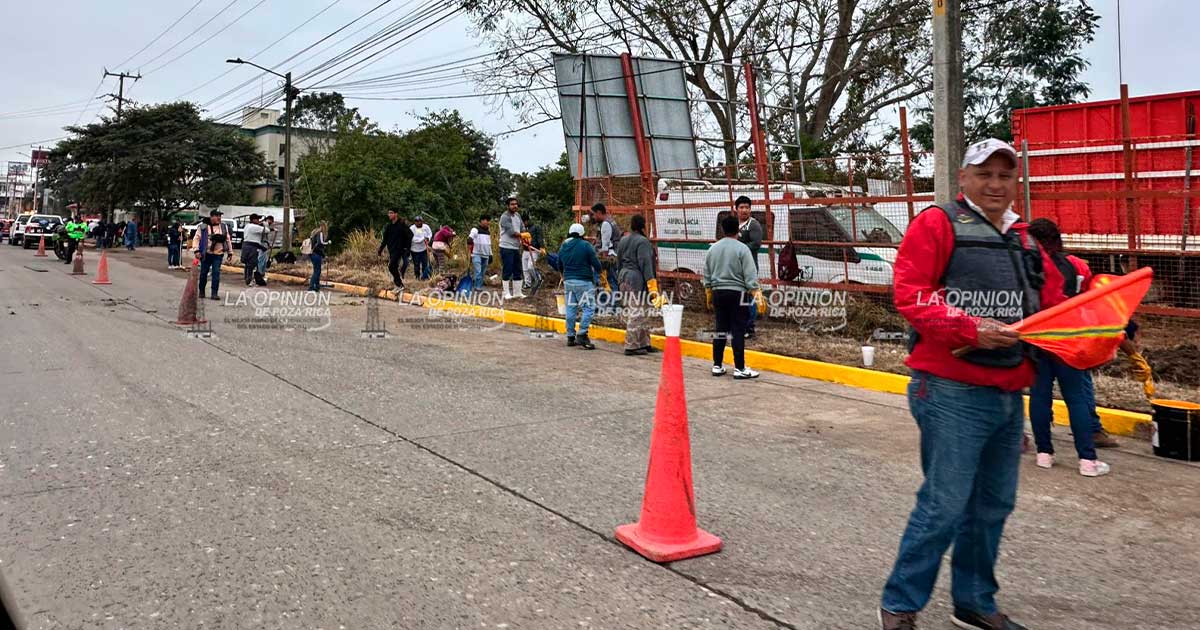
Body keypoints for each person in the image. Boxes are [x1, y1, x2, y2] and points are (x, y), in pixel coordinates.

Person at [878, 139, 1066, 630]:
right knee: (944, 504)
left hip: (1009, 391)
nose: (996, 184)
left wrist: (1092, 322)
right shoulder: (937, 224)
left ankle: (975, 600)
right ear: (962, 179)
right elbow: (910, 292)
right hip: (949, 390)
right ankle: (900, 604)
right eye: (985, 174)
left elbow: (1052, 304)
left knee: (993, 505)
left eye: (1005, 175)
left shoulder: (1025, 238)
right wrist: (969, 328)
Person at [1025, 218, 1112, 475]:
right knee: (1076, 398)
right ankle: (1087, 460)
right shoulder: (1076, 265)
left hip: (1038, 340)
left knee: (1039, 396)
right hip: (1070, 342)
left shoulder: (1027, 266)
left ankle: (1044, 454)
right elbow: (1089, 298)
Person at [703, 214, 763, 378]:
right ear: (738, 230)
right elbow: (750, 275)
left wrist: (708, 291)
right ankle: (740, 368)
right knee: (738, 329)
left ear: (722, 229)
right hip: (738, 293)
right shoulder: (742, 249)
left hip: (718, 293)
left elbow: (706, 273)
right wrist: (756, 293)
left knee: (720, 328)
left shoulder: (713, 248)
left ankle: (717, 365)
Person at [615, 214, 663, 356]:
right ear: (643, 226)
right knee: (637, 312)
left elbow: (618, 261)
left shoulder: (624, 240)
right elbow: (646, 265)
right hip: (636, 280)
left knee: (642, 311)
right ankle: (631, 345)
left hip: (623, 277)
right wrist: (652, 286)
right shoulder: (643, 242)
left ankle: (644, 343)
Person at [559, 222, 602, 350]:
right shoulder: (586, 245)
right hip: (584, 282)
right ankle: (582, 333)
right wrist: (599, 271)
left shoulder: (564, 246)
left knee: (571, 308)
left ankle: (570, 336)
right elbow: (595, 262)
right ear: (582, 234)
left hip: (568, 281)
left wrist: (563, 275)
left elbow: (559, 263)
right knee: (588, 308)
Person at [734, 195, 764, 338]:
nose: (744, 210)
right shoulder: (734, 224)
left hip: (749, 267)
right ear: (736, 209)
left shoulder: (753, 225)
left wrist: (738, 248)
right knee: (738, 297)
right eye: (741, 207)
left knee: (749, 297)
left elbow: (756, 244)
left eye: (747, 207)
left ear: (750, 209)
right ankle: (739, 325)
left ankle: (750, 328)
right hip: (735, 269)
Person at [191, 210, 232, 300]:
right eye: (217, 216)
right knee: (203, 273)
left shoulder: (223, 226)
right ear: (211, 217)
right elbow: (196, 239)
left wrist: (230, 252)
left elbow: (228, 239)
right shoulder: (203, 227)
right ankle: (201, 291)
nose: (219, 218)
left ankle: (214, 293)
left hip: (218, 254)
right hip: (206, 254)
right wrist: (196, 250)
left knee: (216, 273)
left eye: (220, 216)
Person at [591, 203, 622, 302]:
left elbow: (605, 244)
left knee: (606, 281)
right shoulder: (611, 221)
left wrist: (602, 262)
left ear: (599, 212)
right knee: (613, 281)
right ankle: (615, 304)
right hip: (614, 255)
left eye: (594, 214)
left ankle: (607, 304)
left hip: (609, 257)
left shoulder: (605, 224)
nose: (594, 217)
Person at [498, 197, 525, 299]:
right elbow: (511, 232)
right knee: (507, 269)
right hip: (506, 246)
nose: (515, 206)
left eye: (516, 204)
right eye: (512, 204)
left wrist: (525, 234)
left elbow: (522, 227)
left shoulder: (517, 216)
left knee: (517, 269)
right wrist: (522, 235)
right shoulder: (504, 217)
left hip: (516, 247)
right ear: (508, 206)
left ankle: (517, 292)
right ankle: (506, 293)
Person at [378, 210, 412, 289]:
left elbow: (410, 235)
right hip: (392, 250)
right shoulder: (389, 226)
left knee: (391, 266)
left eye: (391, 213)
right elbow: (385, 239)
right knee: (394, 267)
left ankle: (399, 284)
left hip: (400, 249)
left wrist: (407, 248)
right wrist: (380, 249)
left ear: (396, 214)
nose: (389, 215)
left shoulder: (402, 224)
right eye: (389, 213)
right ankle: (398, 285)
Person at [241, 214, 268, 287]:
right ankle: (249, 280)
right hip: (252, 247)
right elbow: (267, 230)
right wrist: (264, 224)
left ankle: (247, 278)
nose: (258, 220)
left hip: (246, 245)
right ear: (253, 220)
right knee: (251, 263)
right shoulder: (254, 227)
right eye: (257, 219)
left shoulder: (247, 226)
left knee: (247, 264)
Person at [467, 216, 492, 293]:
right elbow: (471, 237)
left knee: (482, 272)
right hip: (476, 254)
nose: (487, 222)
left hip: (486, 255)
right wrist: (470, 239)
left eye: (488, 220)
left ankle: (479, 286)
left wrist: (491, 254)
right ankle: (477, 287)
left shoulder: (488, 232)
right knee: (478, 271)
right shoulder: (476, 229)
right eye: (486, 220)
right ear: (481, 221)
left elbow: (489, 244)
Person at [409, 215, 433, 281]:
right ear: (415, 222)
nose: (419, 223)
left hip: (424, 249)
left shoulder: (426, 227)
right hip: (414, 250)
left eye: (420, 222)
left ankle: (425, 277)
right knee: (416, 265)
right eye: (417, 222)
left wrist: (428, 238)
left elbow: (430, 234)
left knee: (425, 264)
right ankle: (417, 277)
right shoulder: (412, 228)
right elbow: (413, 239)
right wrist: (423, 239)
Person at [308, 222, 328, 292]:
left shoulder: (314, 232)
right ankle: (312, 286)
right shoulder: (320, 233)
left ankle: (317, 286)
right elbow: (320, 243)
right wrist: (327, 243)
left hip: (311, 253)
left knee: (316, 270)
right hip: (317, 254)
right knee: (317, 271)